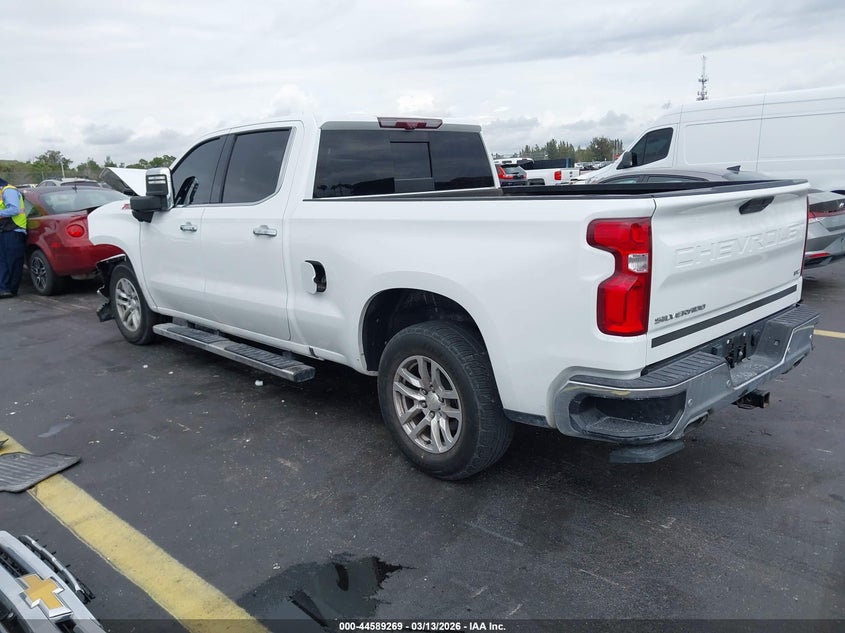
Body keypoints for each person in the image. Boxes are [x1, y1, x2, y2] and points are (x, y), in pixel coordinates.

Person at [0, 178, 27, 298]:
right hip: (5, 230)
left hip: (14, 230)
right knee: (4, 262)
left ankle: (10, 289)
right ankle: (4, 289)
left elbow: (14, 209)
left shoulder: (8, 190)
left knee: (12, 262)